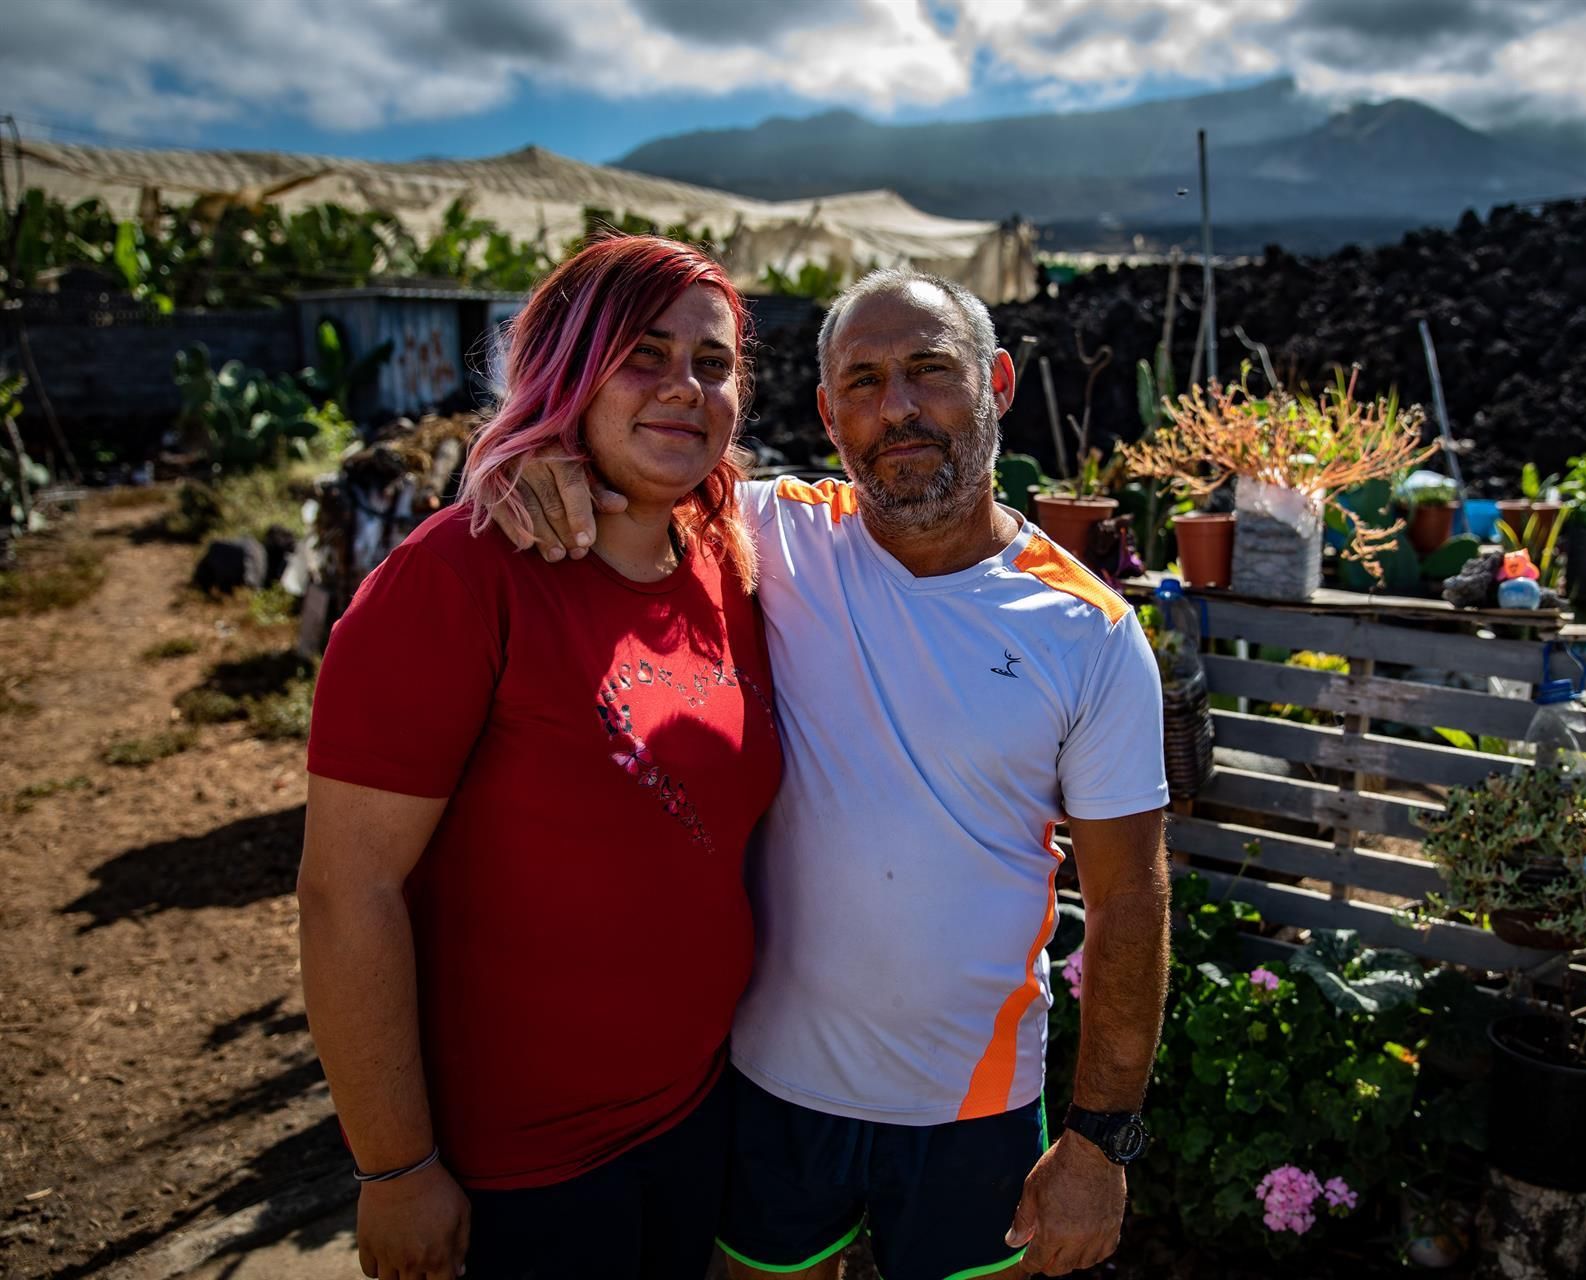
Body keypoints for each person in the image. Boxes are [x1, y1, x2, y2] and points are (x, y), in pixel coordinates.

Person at [502, 268, 1171, 1280]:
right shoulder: (766, 534)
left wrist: (1100, 1140)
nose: (898, 406)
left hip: (974, 1109)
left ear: (996, 383)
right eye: (862, 380)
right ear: (826, 412)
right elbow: (619, 465)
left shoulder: (1091, 632)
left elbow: (1128, 899)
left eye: (930, 371)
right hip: (772, 1092)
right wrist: (525, 462)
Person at [297, 234, 782, 1280]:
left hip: (697, 1111)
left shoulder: (729, 557)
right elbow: (347, 888)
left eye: (713, 360)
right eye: (643, 354)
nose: (684, 386)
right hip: (519, 1170)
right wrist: (394, 1165)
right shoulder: (461, 575)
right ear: (568, 366)